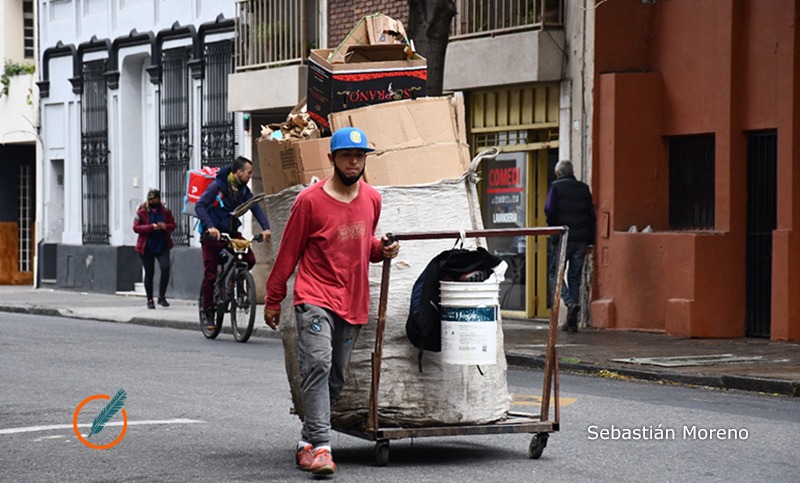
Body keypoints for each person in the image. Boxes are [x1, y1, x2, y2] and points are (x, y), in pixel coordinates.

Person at [264, 127, 400, 477]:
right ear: (332, 159)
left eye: (360, 156)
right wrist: (274, 299)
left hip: (352, 300)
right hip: (315, 296)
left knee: (336, 377)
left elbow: (364, 244)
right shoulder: (309, 201)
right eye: (347, 156)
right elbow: (288, 253)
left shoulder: (372, 198)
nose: (354, 162)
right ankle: (323, 447)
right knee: (319, 364)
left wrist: (380, 249)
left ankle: (306, 441)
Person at [195, 156, 271, 329]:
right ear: (238, 172)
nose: (251, 175)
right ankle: (208, 312)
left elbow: (255, 206)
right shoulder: (217, 186)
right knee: (211, 274)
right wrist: (211, 227)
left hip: (231, 232)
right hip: (212, 236)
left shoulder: (243, 190)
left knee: (249, 258)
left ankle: (235, 282)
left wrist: (266, 228)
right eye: (249, 172)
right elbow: (200, 206)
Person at [545, 160, 595, 332]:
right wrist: (591, 240)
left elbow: (549, 209)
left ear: (558, 173)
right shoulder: (583, 188)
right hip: (581, 240)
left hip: (563, 237)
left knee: (554, 274)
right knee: (575, 277)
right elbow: (591, 215)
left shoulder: (555, 187)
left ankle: (570, 302)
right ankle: (571, 323)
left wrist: (553, 227)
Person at [133, 189, 176, 309]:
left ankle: (161, 296)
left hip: (162, 245)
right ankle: (150, 299)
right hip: (146, 246)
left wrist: (165, 226)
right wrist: (151, 227)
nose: (152, 201)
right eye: (150, 199)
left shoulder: (165, 211)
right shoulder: (142, 211)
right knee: (149, 272)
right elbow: (136, 228)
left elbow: (173, 225)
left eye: (154, 199)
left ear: (158, 199)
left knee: (165, 267)